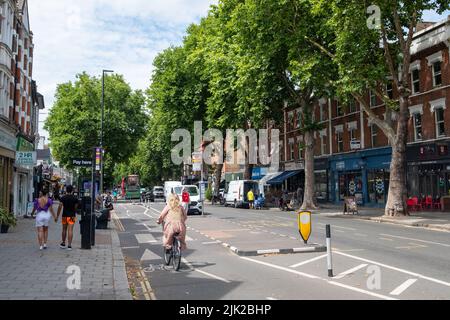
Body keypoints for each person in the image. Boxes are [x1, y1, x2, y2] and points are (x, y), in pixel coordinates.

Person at [56, 185, 78, 250]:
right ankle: (69, 245)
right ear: (72, 190)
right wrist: (74, 211)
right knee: (70, 230)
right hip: (72, 215)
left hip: (64, 215)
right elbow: (76, 207)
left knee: (64, 229)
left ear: (66, 190)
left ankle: (63, 243)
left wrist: (57, 215)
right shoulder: (75, 198)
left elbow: (60, 207)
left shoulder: (63, 198)